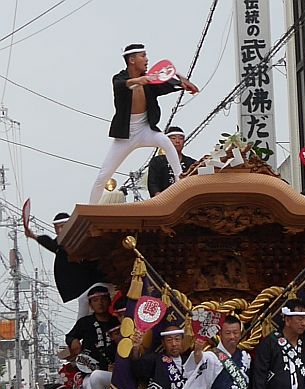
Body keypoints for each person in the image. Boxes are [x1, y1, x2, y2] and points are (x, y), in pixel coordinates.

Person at [90, 44, 198, 203]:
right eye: (143, 56)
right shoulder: (119, 78)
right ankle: (91, 209)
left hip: (146, 131)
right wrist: (140, 80)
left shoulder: (149, 81)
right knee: (103, 176)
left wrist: (183, 83)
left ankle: (179, 180)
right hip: (125, 136)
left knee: (166, 142)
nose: (147, 60)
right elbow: (123, 84)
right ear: (132, 60)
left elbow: (166, 82)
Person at [25, 212, 111, 309]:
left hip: (94, 284)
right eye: (57, 227)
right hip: (79, 290)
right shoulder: (61, 244)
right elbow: (52, 244)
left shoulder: (83, 238)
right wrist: (33, 236)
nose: (59, 230)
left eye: (62, 226)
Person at [66, 285, 121, 389]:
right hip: (91, 370)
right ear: (90, 304)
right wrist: (73, 341)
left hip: (115, 371)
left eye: (103, 299)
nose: (100, 303)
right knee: (90, 382)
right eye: (96, 300)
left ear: (109, 301)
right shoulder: (85, 322)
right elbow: (70, 336)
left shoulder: (117, 322)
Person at [146, 125, 196, 196]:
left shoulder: (191, 163)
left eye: (181, 138)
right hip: (163, 199)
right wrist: (161, 198)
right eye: (173, 138)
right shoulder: (157, 161)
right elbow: (152, 184)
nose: (177, 141)